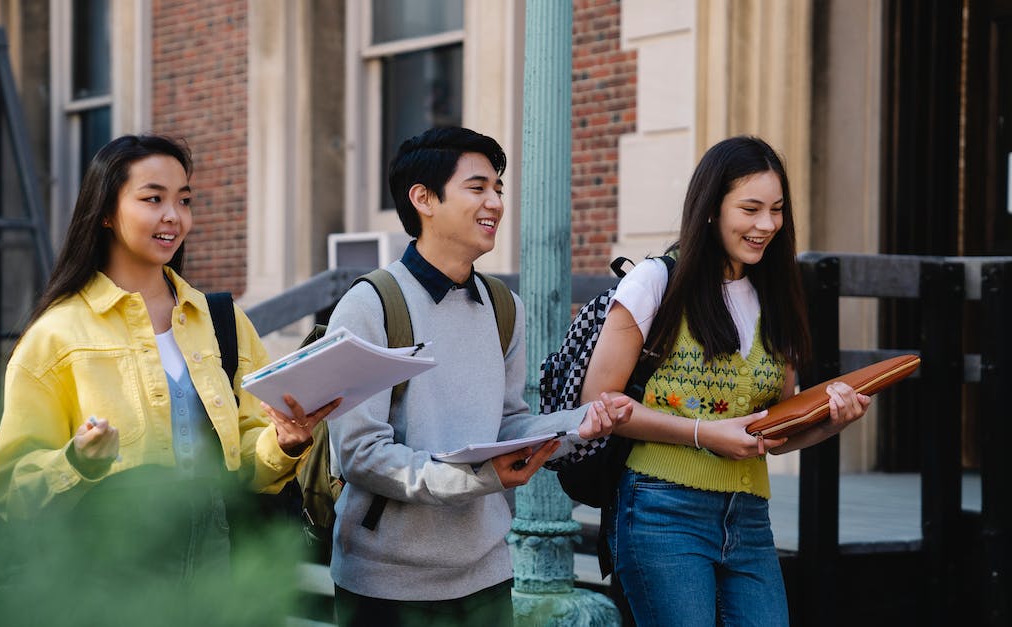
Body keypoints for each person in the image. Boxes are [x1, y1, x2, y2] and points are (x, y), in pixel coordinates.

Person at [0, 134, 340, 577]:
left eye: (184, 200)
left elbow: (248, 467)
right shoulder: (56, 335)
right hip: (109, 571)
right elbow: (12, 490)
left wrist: (287, 440)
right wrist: (76, 461)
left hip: (221, 563)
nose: (174, 217)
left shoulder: (222, 321)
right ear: (105, 214)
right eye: (153, 199)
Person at [326, 126, 633, 627]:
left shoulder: (504, 308)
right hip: (386, 583)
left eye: (498, 188)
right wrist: (472, 478)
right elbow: (361, 455)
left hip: (487, 573)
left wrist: (579, 425)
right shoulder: (369, 306)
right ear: (423, 199)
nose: (495, 202)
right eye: (477, 187)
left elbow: (507, 427)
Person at [580, 135, 871, 626]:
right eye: (751, 208)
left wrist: (832, 420)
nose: (766, 225)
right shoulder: (655, 282)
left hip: (748, 518)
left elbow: (774, 432)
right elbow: (599, 401)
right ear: (712, 209)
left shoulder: (775, 291)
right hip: (660, 511)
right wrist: (703, 433)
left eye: (776, 210)